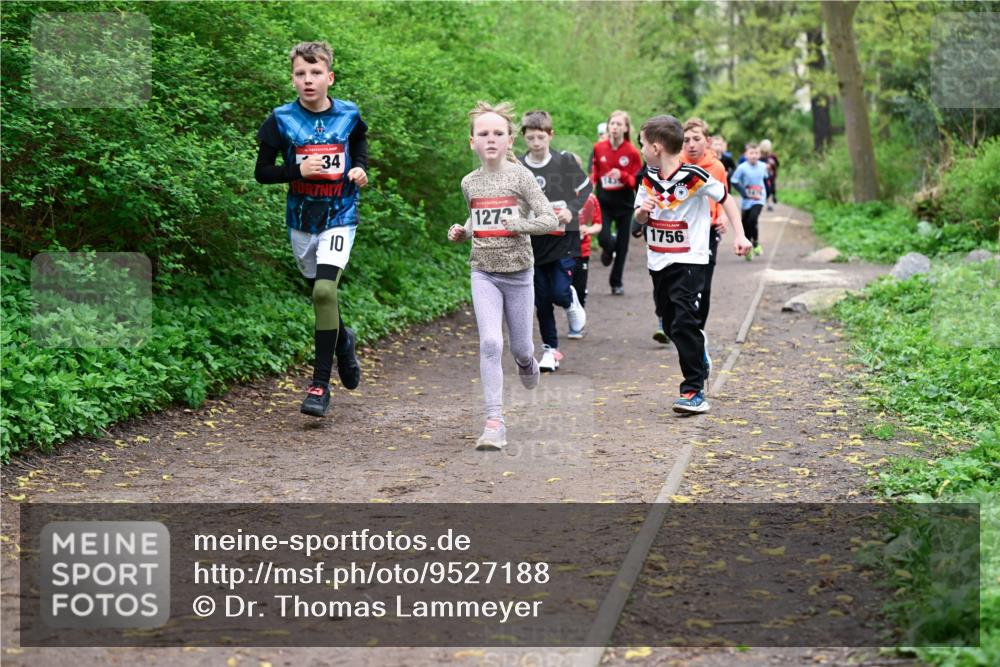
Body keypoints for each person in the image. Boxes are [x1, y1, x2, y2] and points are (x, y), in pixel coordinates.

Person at [254, 41, 367, 418]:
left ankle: (319, 385)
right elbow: (262, 173)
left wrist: (359, 169)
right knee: (323, 297)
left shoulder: (349, 114)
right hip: (301, 221)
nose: (308, 80)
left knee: (323, 291)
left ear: (329, 77)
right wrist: (296, 171)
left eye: (316, 73)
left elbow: (359, 143)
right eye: (301, 73)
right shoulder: (280, 120)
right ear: (292, 79)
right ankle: (344, 342)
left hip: (341, 214)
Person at [448, 101, 558, 450]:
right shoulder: (470, 182)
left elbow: (549, 219)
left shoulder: (520, 177)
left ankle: (527, 361)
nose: (491, 139)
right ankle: (494, 422)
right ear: (472, 142)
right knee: (491, 343)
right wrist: (462, 231)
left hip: (519, 273)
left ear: (511, 140)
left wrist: (519, 225)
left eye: (498, 133)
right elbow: (476, 218)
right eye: (483, 133)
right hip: (484, 273)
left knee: (521, 348)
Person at [633, 115, 751, 414]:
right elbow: (638, 216)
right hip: (658, 261)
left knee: (685, 321)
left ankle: (693, 389)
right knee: (671, 323)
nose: (642, 150)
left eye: (644, 144)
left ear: (657, 147)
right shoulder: (648, 177)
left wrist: (740, 234)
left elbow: (726, 199)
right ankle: (699, 355)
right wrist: (643, 213)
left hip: (690, 259)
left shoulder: (695, 177)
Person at [519, 110, 592, 369]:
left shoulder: (564, 161)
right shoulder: (519, 166)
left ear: (551, 135)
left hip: (564, 240)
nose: (536, 143)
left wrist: (571, 210)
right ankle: (550, 350)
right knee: (541, 299)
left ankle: (571, 300)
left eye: (540, 137)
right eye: (530, 138)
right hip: (534, 243)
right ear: (523, 138)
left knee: (559, 291)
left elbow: (586, 189)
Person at [591, 110, 643, 295]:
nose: (614, 127)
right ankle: (607, 248)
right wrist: (591, 183)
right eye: (612, 123)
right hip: (604, 201)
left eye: (619, 124)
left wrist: (621, 175)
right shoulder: (598, 147)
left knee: (622, 246)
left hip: (625, 204)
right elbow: (594, 170)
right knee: (604, 237)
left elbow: (636, 181)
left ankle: (616, 282)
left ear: (626, 128)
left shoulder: (632, 152)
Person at [567, 153, 603, 337]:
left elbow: (598, 224)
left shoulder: (589, 198)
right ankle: (573, 315)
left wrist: (588, 230)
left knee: (579, 287)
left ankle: (576, 326)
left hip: (583, 249)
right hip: (561, 249)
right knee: (562, 288)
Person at [730, 143, 769, 259]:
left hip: (759, 199)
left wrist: (768, 194)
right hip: (747, 200)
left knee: (753, 219)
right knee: (746, 223)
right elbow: (734, 180)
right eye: (751, 153)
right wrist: (744, 193)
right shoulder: (742, 167)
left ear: (760, 154)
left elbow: (766, 180)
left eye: (756, 153)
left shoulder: (763, 166)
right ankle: (748, 247)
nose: (754, 156)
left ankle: (755, 243)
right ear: (746, 155)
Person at [759, 139, 780, 210]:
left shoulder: (773, 156)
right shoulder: (759, 157)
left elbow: (777, 164)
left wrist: (772, 164)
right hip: (762, 176)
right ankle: (765, 202)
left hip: (771, 176)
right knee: (765, 188)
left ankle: (770, 203)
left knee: (771, 189)